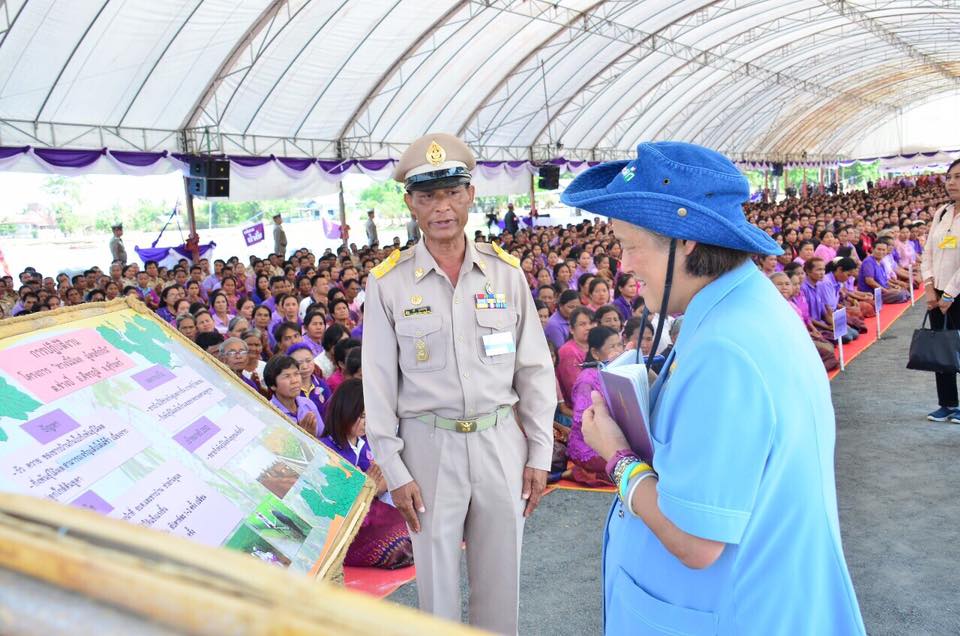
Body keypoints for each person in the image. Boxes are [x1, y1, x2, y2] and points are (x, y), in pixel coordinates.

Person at [563, 141, 864, 634]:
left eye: (629, 243)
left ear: (687, 242)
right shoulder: (740, 308)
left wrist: (616, 455)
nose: (623, 265)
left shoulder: (725, 347)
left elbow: (694, 542)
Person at [363, 133, 554, 634]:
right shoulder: (388, 282)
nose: (441, 207)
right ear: (411, 203)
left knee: (501, 580)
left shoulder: (506, 274)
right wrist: (393, 466)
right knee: (437, 588)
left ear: (470, 195)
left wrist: (538, 453)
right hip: (427, 449)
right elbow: (378, 383)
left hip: (499, 442)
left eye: (451, 193)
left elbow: (534, 369)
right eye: (427, 196)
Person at [322, 378, 414, 568]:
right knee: (394, 544)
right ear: (345, 412)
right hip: (346, 525)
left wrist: (373, 487)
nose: (367, 422)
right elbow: (331, 504)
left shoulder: (364, 443)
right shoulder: (327, 449)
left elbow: (381, 484)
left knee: (414, 524)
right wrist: (366, 486)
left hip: (371, 512)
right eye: (362, 416)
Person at [921, 158, 960, 422]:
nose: (952, 182)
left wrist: (950, 293)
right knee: (941, 348)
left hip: (956, 294)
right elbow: (928, 252)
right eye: (949, 177)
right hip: (937, 292)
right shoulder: (943, 212)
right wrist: (929, 285)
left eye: (958, 177)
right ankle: (947, 403)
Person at [568, 326, 623, 486]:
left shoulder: (613, 371)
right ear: (595, 353)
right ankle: (581, 472)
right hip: (590, 444)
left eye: (619, 344)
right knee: (627, 466)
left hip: (611, 434)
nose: (618, 350)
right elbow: (581, 419)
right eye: (612, 346)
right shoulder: (587, 379)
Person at [264, 354, 323, 437]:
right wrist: (305, 437)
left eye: (296, 374)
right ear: (272, 385)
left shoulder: (308, 403)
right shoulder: (270, 414)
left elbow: (323, 437)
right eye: (287, 376)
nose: (295, 381)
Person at [556, 306, 595, 408]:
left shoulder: (594, 347)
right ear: (572, 329)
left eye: (591, 323)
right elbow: (576, 391)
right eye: (582, 324)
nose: (588, 327)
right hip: (577, 409)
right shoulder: (568, 351)